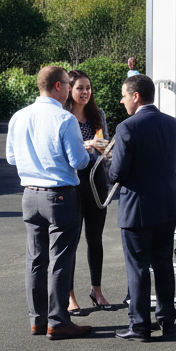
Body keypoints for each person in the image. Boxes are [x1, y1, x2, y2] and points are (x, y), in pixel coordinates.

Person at [6, 66, 92, 339]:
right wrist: (90, 152)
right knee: (61, 259)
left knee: (35, 259)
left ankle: (37, 319)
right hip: (60, 195)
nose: (69, 89)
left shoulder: (19, 117)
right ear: (58, 86)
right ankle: (58, 320)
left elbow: (11, 158)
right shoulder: (64, 119)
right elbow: (79, 161)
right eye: (68, 84)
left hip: (29, 194)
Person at [109, 74, 176, 341]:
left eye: (124, 95)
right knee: (164, 264)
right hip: (167, 204)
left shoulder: (127, 127)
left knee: (138, 268)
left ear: (136, 96)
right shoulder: (174, 124)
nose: (122, 100)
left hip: (137, 207)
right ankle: (167, 320)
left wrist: (107, 162)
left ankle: (140, 325)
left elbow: (117, 173)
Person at [63, 69, 113, 314]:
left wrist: (107, 150)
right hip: (72, 182)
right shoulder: (63, 116)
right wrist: (87, 144)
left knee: (95, 239)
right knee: (71, 242)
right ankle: (70, 296)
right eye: (80, 88)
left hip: (97, 181)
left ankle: (97, 290)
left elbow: (105, 147)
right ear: (70, 90)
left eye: (88, 88)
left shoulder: (97, 115)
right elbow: (62, 149)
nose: (85, 92)